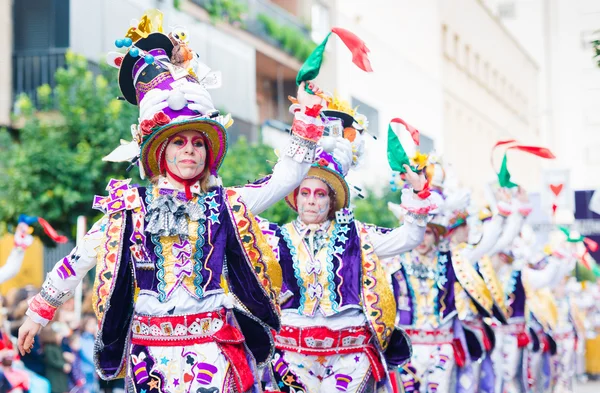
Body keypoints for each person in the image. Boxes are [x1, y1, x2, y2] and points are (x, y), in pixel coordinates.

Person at [18, 9, 329, 393]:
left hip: (214, 351)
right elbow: (78, 258)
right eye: (179, 142)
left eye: (199, 142)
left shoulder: (225, 204)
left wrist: (308, 119)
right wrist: (38, 313)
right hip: (151, 355)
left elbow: (287, 179)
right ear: (159, 151)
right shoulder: (130, 208)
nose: (190, 151)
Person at [261, 104, 432, 393]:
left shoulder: (358, 235)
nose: (312, 201)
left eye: (320, 194)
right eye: (305, 193)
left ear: (332, 201)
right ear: (295, 198)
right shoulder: (275, 238)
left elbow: (409, 238)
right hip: (292, 355)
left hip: (348, 357)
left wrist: (417, 194)